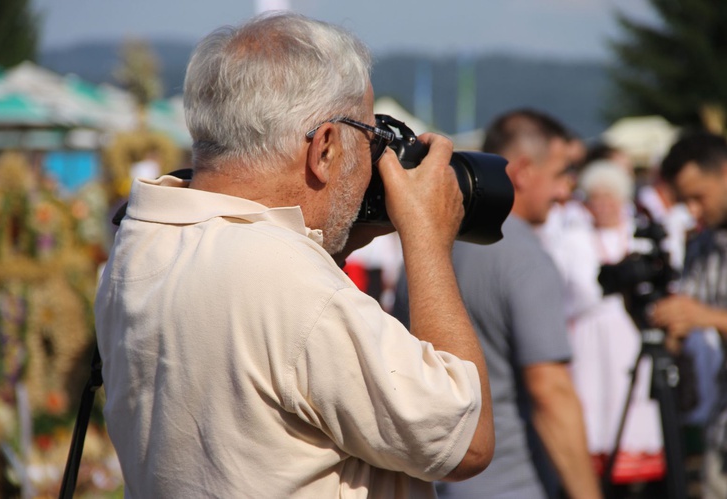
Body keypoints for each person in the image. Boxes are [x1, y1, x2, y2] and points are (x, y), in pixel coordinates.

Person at [94, 12, 494, 498]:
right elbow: (466, 439)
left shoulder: (141, 244)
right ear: (324, 148)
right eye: (370, 140)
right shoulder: (281, 278)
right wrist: (428, 239)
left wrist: (335, 242)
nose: (373, 165)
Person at [395, 108, 601, 498]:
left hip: (431, 479)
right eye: (560, 174)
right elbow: (550, 392)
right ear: (522, 172)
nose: (565, 191)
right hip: (511, 483)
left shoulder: (425, 247)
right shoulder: (525, 258)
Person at [548, 161, 665, 495]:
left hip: (629, 333)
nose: (603, 205)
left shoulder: (638, 235)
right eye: (595, 197)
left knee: (638, 398)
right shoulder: (573, 240)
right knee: (594, 399)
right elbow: (572, 293)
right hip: (589, 338)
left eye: (609, 197)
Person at [651, 131, 727, 499]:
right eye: (685, 202)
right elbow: (690, 309)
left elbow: (702, 312)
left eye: (699, 197)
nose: (693, 211)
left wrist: (707, 317)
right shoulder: (701, 244)